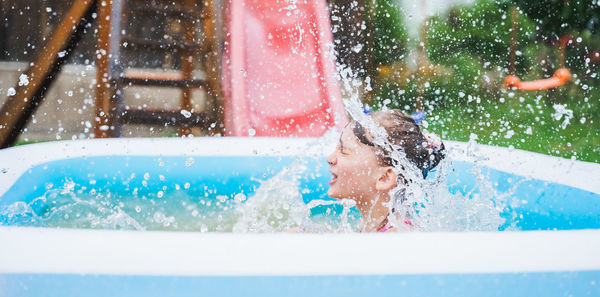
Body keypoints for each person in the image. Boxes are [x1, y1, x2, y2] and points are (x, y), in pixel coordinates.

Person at [326, 109, 445, 232]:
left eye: (344, 151)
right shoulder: (371, 224)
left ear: (384, 178)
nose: (330, 159)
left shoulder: (395, 238)